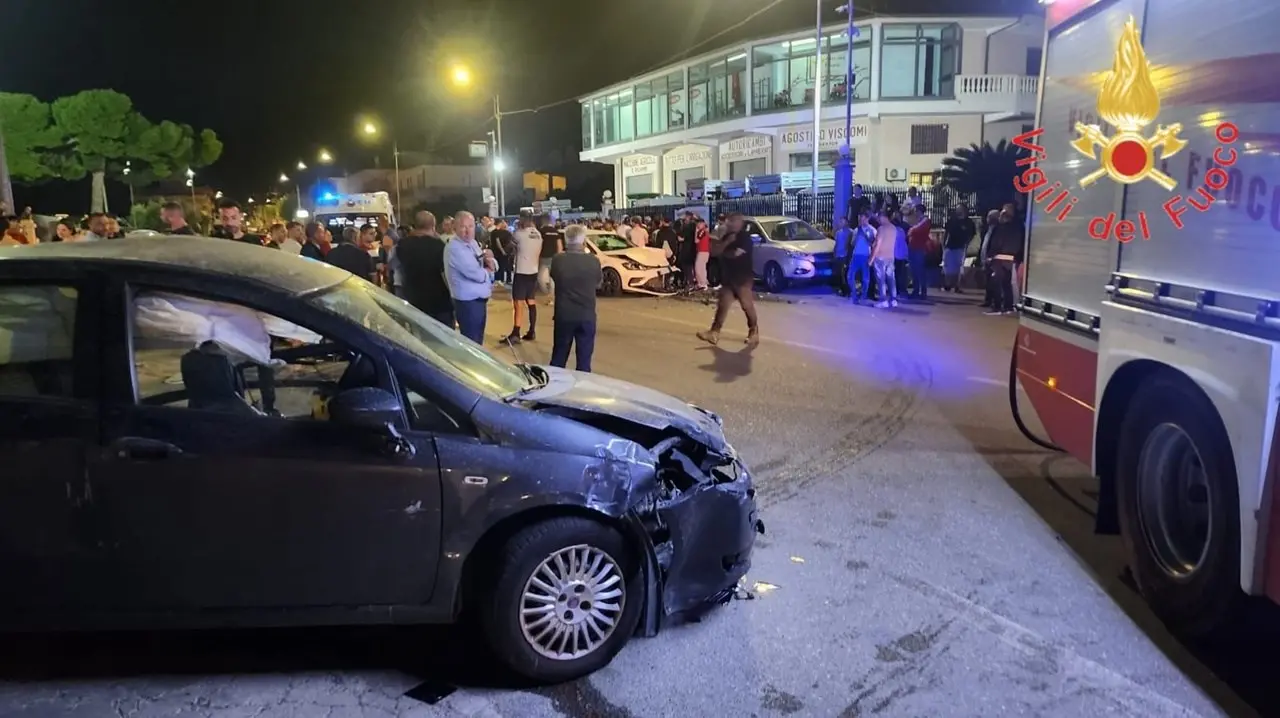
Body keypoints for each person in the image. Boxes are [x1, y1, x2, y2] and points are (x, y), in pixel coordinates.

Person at [697, 213, 759, 348]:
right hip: (729, 277)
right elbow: (714, 252)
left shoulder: (744, 238)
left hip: (742, 278)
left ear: (740, 223)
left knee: (746, 305)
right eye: (730, 221)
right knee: (723, 305)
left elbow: (734, 254)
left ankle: (754, 331)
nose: (730, 224)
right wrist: (725, 244)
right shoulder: (726, 237)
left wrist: (723, 250)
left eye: (734, 221)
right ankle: (714, 332)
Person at [548, 224, 602, 372]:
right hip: (586, 315)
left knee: (559, 357)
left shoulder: (558, 259)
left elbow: (554, 277)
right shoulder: (593, 261)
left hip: (564, 315)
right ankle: (582, 389)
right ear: (583, 241)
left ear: (566, 240)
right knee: (584, 361)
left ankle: (554, 388)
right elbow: (598, 283)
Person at [396, 210, 455, 327]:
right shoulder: (439, 245)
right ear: (433, 226)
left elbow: (398, 271)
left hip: (413, 300)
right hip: (439, 303)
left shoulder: (402, 245)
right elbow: (445, 274)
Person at [444, 211, 495, 343]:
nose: (467, 231)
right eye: (463, 227)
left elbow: (489, 262)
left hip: (478, 301)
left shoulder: (472, 243)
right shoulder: (454, 247)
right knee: (472, 343)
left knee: (478, 341)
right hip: (468, 303)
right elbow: (475, 273)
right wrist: (488, 270)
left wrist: (489, 264)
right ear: (455, 228)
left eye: (471, 226)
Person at [507, 214, 543, 342]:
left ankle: (516, 332)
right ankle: (532, 331)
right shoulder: (538, 234)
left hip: (521, 271)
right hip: (533, 270)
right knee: (531, 301)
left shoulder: (519, 234)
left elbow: (510, 248)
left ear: (523, 221)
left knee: (518, 303)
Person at [985, 203, 1024, 316]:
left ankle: (1005, 306)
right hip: (998, 259)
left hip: (1008, 259)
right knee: (998, 283)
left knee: (1006, 284)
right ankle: (1000, 306)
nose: (1003, 214)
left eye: (1006, 211)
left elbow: (1015, 243)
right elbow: (993, 241)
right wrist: (990, 255)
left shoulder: (1016, 227)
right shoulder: (999, 226)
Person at [869, 209, 900, 309]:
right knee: (891, 278)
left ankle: (883, 300)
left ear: (883, 217)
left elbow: (877, 244)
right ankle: (893, 299)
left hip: (880, 257)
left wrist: (871, 258)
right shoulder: (894, 228)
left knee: (881, 279)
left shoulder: (881, 229)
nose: (878, 220)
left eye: (879, 217)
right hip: (890, 256)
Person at [942, 205, 975, 293]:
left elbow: (972, 234)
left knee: (959, 266)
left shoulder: (969, 222)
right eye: (957, 209)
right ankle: (947, 284)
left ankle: (957, 285)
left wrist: (967, 243)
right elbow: (946, 232)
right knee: (947, 265)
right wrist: (944, 243)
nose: (958, 211)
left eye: (960, 209)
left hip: (961, 247)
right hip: (950, 246)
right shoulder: (952, 220)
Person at [849, 211, 876, 304]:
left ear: (867, 219)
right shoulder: (857, 230)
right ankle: (854, 295)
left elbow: (873, 243)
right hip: (855, 255)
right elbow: (852, 243)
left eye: (863, 218)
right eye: (860, 219)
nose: (861, 220)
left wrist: (864, 235)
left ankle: (863, 296)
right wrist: (856, 237)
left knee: (865, 278)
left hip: (866, 256)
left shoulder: (872, 230)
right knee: (850, 276)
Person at [906, 208, 932, 299]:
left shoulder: (925, 221)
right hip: (913, 248)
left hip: (919, 248)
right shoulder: (917, 221)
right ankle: (916, 290)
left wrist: (912, 229)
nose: (915, 213)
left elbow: (914, 230)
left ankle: (922, 291)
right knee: (914, 271)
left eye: (916, 211)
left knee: (920, 271)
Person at [537, 215, 563, 303]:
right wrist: (559, 256)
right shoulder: (556, 232)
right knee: (552, 278)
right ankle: (551, 296)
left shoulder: (541, 231)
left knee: (539, 277)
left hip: (543, 257)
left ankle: (546, 292)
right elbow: (559, 245)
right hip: (554, 257)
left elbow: (539, 245)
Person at [832, 216, 853, 297]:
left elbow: (850, 245)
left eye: (842, 221)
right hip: (838, 255)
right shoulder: (838, 233)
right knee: (839, 274)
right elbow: (836, 244)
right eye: (840, 221)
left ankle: (847, 291)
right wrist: (834, 253)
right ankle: (842, 289)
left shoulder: (850, 232)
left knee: (845, 274)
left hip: (845, 256)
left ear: (846, 222)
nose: (840, 223)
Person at [693, 218, 712, 290]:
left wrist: (696, 231)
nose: (697, 225)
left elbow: (696, 241)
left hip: (702, 251)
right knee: (702, 268)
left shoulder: (702, 231)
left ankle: (702, 283)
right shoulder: (705, 231)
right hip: (704, 251)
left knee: (698, 268)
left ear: (702, 224)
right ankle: (703, 283)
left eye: (698, 224)